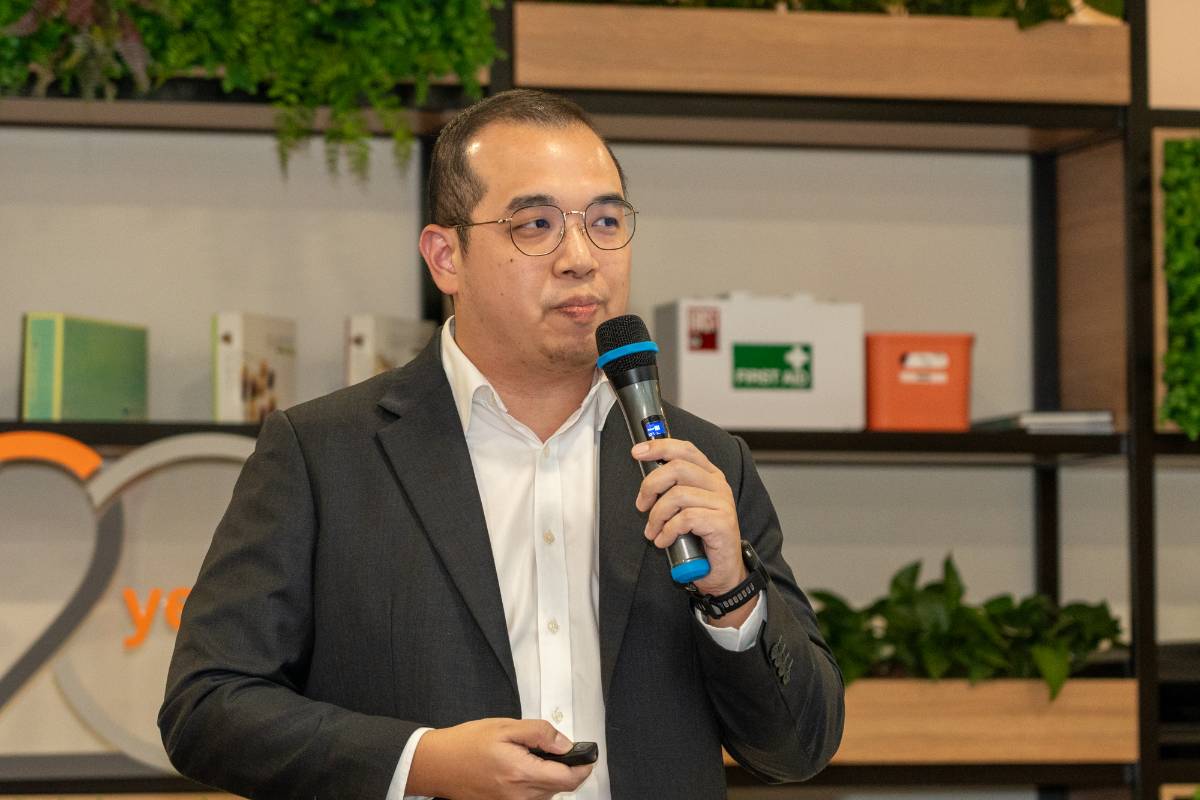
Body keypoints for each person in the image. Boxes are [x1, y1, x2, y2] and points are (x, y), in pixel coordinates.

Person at [159, 88, 844, 800]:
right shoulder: (322, 454)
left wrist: (733, 592)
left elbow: (799, 749)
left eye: (605, 221)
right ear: (445, 257)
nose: (581, 257)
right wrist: (422, 760)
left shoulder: (702, 462)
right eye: (536, 224)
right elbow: (208, 708)